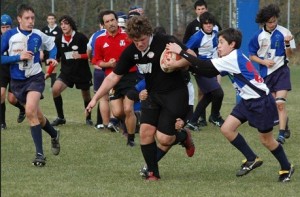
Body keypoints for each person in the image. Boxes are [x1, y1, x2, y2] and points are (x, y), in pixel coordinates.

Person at [165, 28, 294, 183]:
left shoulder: (232, 57)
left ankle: (287, 167)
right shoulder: (232, 57)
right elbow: (208, 72)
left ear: (232, 44)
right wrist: (183, 66)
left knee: (267, 140)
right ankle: (252, 158)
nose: (218, 46)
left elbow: (204, 66)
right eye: (218, 42)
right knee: (227, 128)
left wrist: (181, 52)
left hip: (261, 102)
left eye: (221, 43)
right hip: (248, 101)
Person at [86, 15, 195, 180]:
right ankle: (153, 173)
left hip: (175, 93)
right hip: (152, 95)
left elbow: (192, 55)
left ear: (149, 33)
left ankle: (183, 136)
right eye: (135, 41)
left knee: (164, 138)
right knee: (145, 132)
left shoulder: (165, 41)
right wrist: (95, 99)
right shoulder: (132, 51)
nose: (140, 44)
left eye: (142, 40)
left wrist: (176, 64)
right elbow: (113, 77)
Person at [1, 4, 60, 166]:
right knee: (38, 116)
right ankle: (54, 134)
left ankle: (39, 155)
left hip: (35, 78)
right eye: (27, 18)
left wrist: (52, 58)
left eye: (32, 18)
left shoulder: (39, 34)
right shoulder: (9, 36)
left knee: (29, 111)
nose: (30, 21)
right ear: (19, 19)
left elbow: (52, 45)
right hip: (17, 81)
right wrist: (17, 57)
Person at [248, 4, 296, 145]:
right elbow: (252, 56)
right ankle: (285, 124)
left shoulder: (284, 32)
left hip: (281, 71)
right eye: (269, 22)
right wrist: (263, 62)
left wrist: (287, 44)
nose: (272, 24)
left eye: (274, 20)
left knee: (280, 103)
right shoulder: (258, 36)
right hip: (266, 74)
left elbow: (290, 55)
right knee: (274, 106)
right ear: (264, 22)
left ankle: (281, 135)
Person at [92, 10, 141, 146]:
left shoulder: (127, 37)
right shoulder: (100, 40)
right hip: (111, 79)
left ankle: (130, 139)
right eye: (107, 22)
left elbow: (138, 53)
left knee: (127, 108)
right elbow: (97, 61)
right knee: (118, 112)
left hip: (129, 77)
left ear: (116, 20)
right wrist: (108, 64)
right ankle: (131, 121)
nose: (111, 23)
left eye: (112, 20)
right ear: (103, 25)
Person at [182, 0, 222, 127]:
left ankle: (193, 121)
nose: (209, 26)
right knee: (218, 93)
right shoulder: (197, 37)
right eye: (206, 24)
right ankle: (214, 117)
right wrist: (191, 62)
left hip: (213, 65)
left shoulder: (216, 33)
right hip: (200, 67)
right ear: (202, 25)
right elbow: (184, 49)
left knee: (209, 94)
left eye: (210, 24)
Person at [51, 15, 93, 126]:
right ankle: (61, 118)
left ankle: (88, 118)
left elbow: (91, 55)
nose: (63, 26)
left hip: (82, 72)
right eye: (61, 24)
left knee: (86, 96)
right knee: (55, 90)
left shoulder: (81, 38)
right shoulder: (59, 38)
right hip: (67, 72)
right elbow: (58, 56)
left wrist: (81, 56)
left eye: (66, 23)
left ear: (71, 25)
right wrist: (52, 64)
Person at [1, 14, 26, 130]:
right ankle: (2, 123)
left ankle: (22, 108)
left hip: (13, 70)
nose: (5, 29)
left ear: (12, 27)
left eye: (7, 27)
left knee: (11, 99)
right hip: (2, 70)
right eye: (3, 27)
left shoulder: (17, 38)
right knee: (1, 94)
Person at [87, 15, 107, 130]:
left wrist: (90, 59)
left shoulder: (95, 35)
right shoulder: (118, 34)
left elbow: (88, 49)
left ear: (100, 24)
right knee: (116, 97)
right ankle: (116, 122)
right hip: (114, 71)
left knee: (101, 97)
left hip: (99, 70)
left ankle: (100, 123)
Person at [41, 13, 62, 88]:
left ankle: (53, 87)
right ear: (47, 20)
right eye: (49, 19)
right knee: (48, 71)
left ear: (55, 19)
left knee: (53, 70)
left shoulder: (59, 30)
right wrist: (42, 51)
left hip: (55, 52)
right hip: (46, 52)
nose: (51, 20)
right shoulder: (44, 29)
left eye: (52, 19)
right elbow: (42, 41)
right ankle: (40, 87)